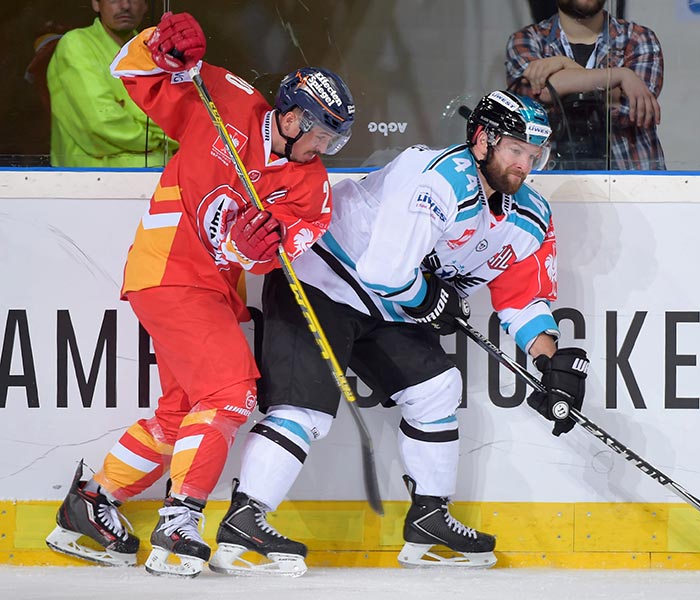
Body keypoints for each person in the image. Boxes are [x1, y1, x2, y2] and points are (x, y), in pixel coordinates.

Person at [208, 90, 590, 575]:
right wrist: (431, 300)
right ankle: (245, 518)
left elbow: (521, 299)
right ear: (481, 140)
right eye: (515, 150)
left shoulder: (530, 216)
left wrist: (548, 360)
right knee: (306, 409)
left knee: (437, 387)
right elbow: (387, 272)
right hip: (322, 278)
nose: (524, 165)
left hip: (386, 304)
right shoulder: (438, 178)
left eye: (533, 155)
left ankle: (429, 518)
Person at [44, 12, 355, 578]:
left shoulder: (311, 185)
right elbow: (131, 72)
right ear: (289, 114)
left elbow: (273, 252)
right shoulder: (226, 98)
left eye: (334, 138)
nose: (322, 146)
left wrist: (250, 246)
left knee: (181, 412)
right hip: (167, 268)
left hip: (210, 289)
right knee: (232, 392)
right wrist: (162, 48)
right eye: (318, 131)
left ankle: (88, 504)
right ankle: (179, 520)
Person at [506, 0, 665, 170]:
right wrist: (620, 75)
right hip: (550, 183)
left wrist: (564, 71)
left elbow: (632, 110)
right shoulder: (528, 39)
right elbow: (540, 94)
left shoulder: (638, 38)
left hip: (633, 183)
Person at [45, 0, 175, 167]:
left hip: (160, 177)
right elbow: (102, 123)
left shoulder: (154, 50)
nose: (125, 5)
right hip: (92, 182)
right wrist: (160, 140)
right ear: (96, 4)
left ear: (145, 6)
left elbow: (178, 117)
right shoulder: (76, 44)